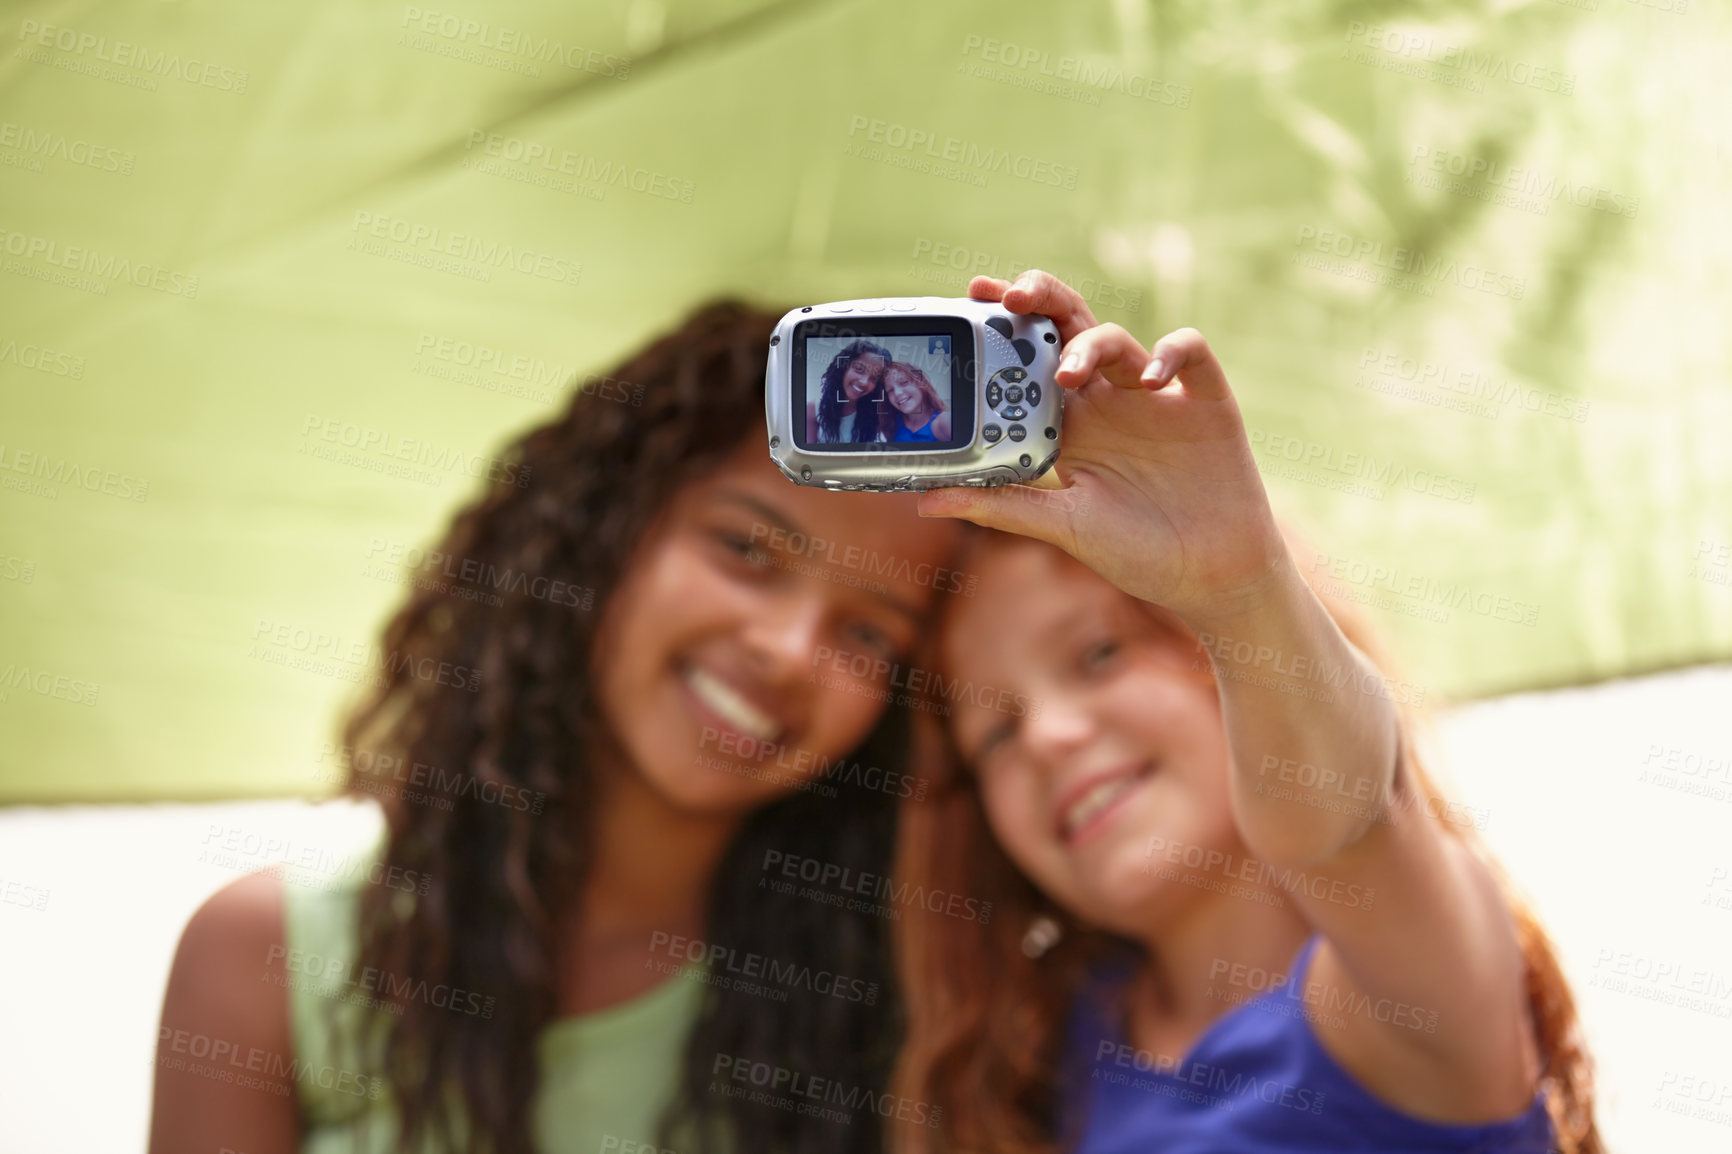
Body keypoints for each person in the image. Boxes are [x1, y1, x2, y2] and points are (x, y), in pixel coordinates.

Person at [149, 302, 961, 1154]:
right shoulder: (263, 958)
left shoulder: (906, 1015)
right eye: (748, 550)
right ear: (601, 534)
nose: (793, 652)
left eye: (870, 635)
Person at [889, 272, 1603, 1154]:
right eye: (994, 731)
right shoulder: (1028, 1072)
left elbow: (1350, 819)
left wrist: (1239, 588)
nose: (1048, 734)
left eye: (1101, 653)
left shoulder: (1408, 1006)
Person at [807, 340, 893, 444]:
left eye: (874, 378)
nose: (864, 382)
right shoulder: (813, 408)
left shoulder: (879, 414)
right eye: (859, 369)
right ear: (844, 368)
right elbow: (807, 456)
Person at [883, 362, 952, 443]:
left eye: (904, 382)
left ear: (920, 383)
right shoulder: (891, 423)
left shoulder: (945, 421)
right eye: (890, 390)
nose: (897, 393)